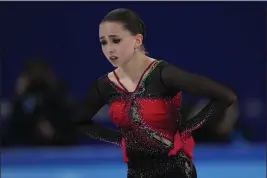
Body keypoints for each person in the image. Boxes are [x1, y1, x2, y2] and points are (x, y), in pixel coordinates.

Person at [75, 8, 237, 178]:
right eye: (103, 42)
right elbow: (80, 121)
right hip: (136, 173)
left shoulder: (163, 74)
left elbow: (226, 96)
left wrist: (186, 130)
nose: (109, 49)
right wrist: (119, 139)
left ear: (137, 40)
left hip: (175, 171)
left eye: (116, 40)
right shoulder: (105, 85)